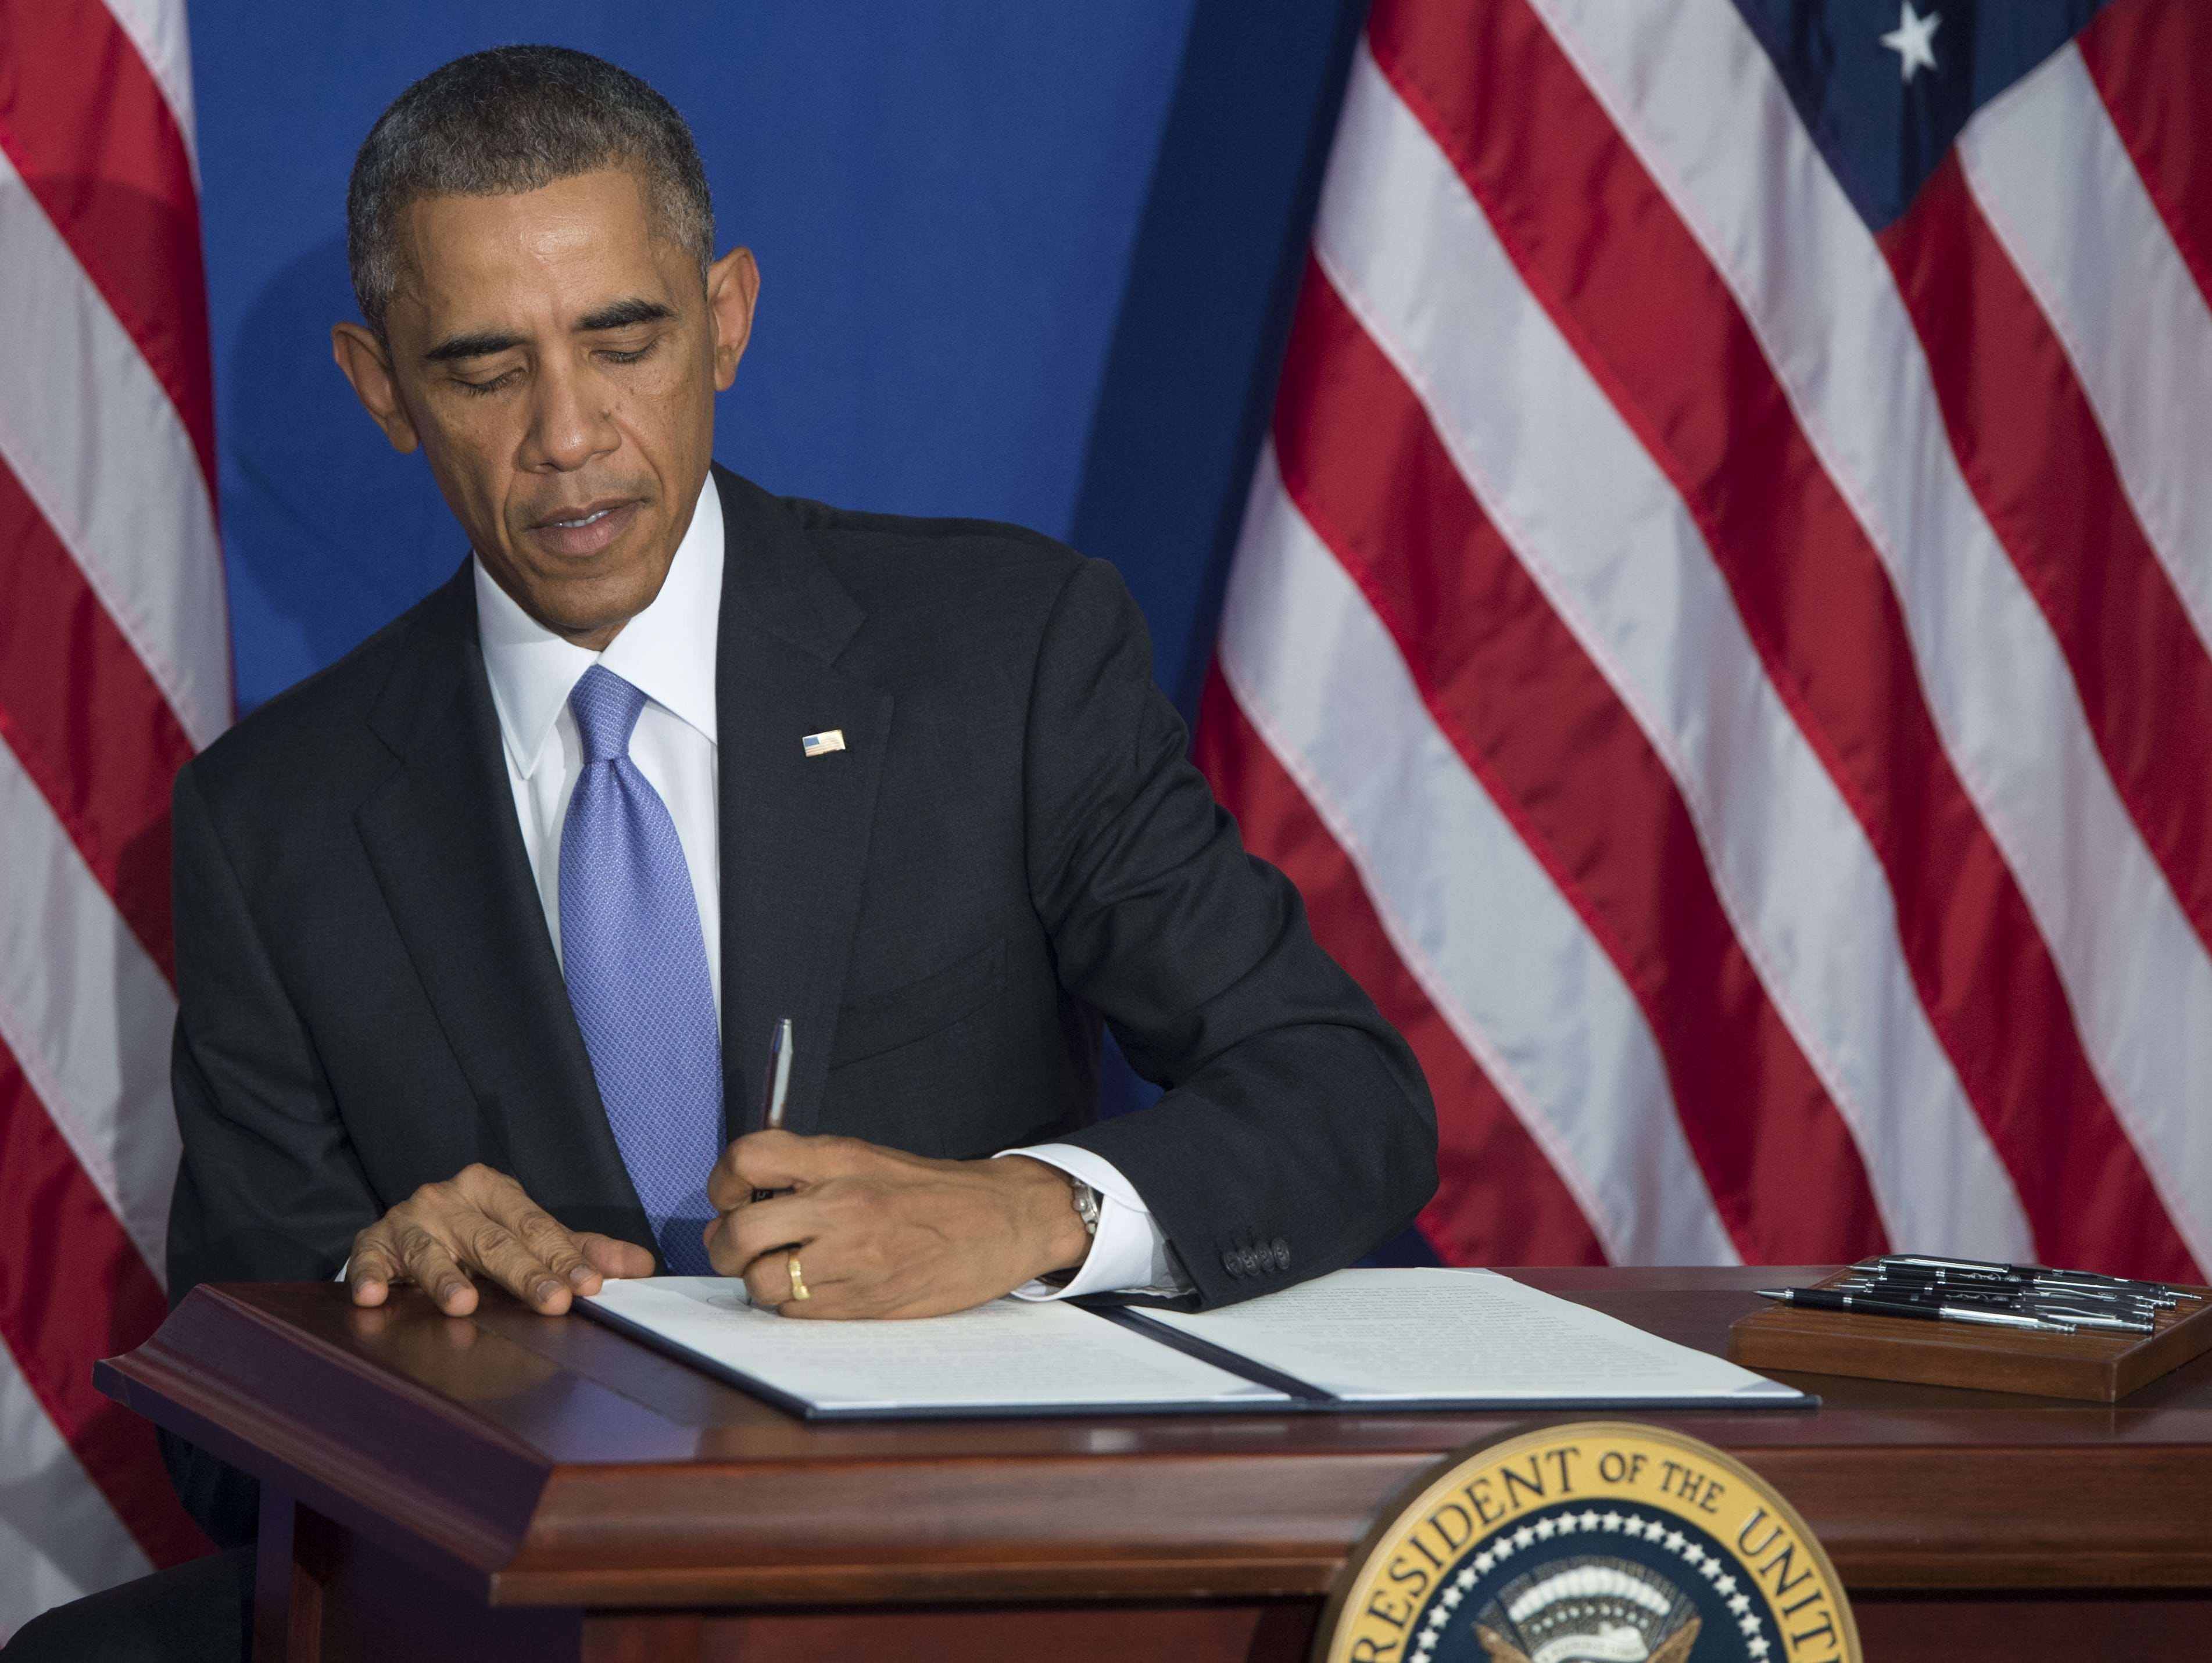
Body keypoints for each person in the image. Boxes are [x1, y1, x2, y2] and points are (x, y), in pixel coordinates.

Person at [3, 44, 1433, 1662]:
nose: (568, 434)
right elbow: (220, 1451)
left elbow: (1343, 1096)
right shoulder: (272, 821)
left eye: (624, 342)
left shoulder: (1004, 657)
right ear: (381, 388)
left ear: (728, 318)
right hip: (517, 1600)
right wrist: (370, 1310)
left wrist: (1027, 1212)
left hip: (957, 1569)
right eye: (483, 371)